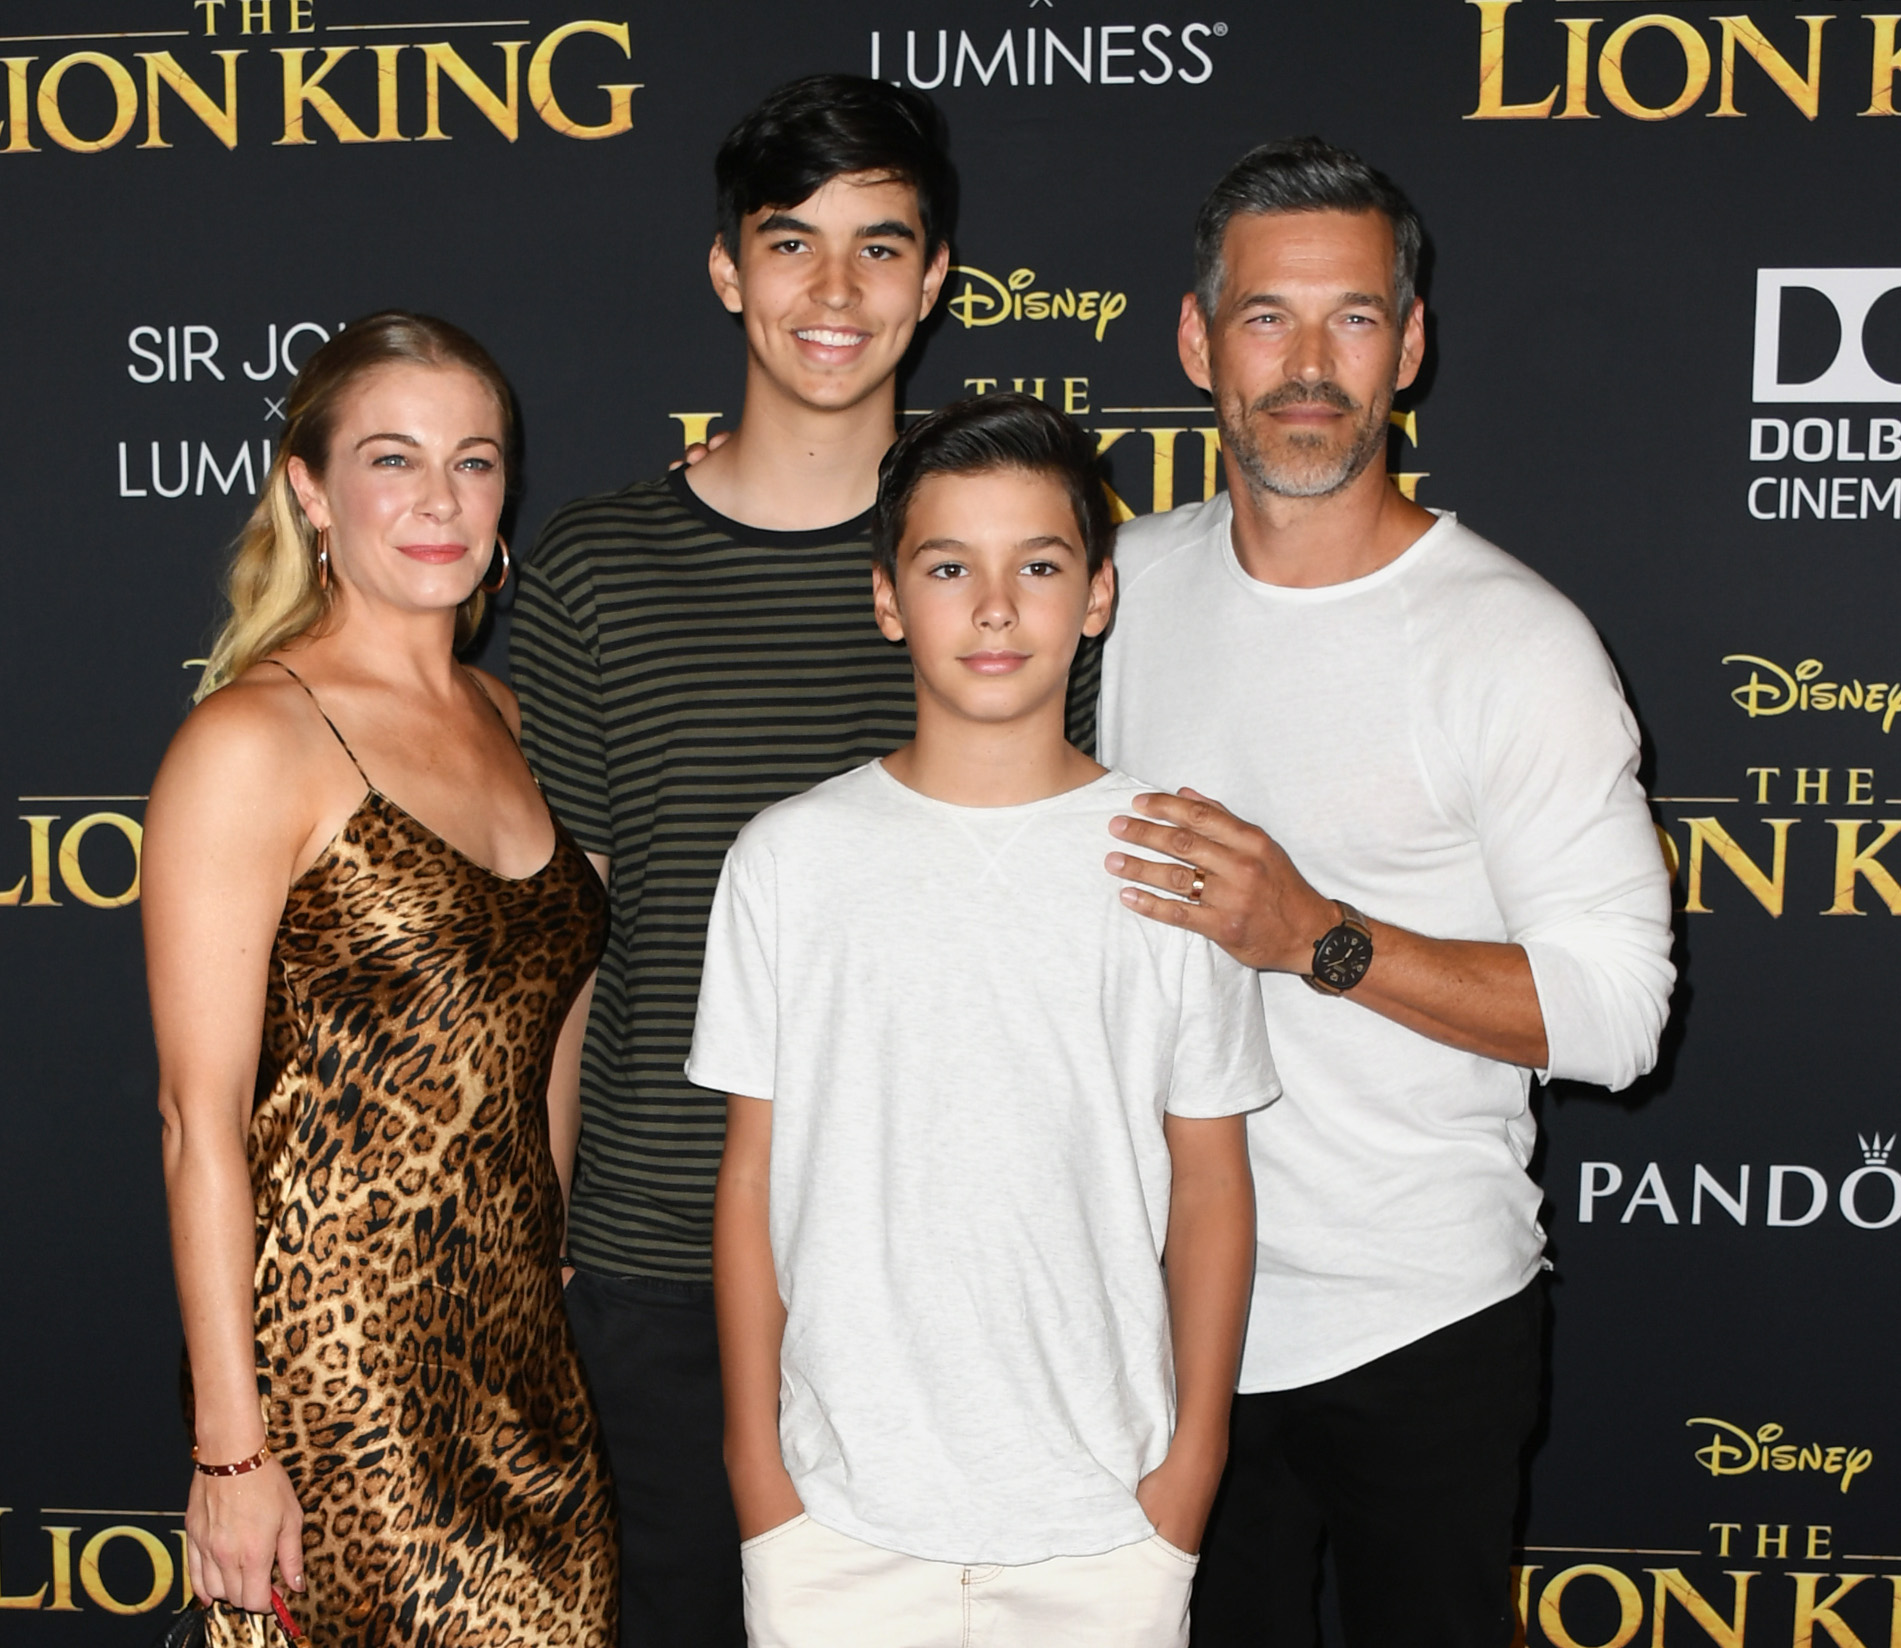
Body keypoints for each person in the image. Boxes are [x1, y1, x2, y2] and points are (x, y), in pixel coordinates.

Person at [509, 74, 1095, 1646]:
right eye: (791, 245)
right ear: (728, 272)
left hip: (956, 1274)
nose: (834, 294)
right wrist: (542, 1257)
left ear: (937, 277)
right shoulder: (595, 573)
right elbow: (556, 963)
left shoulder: (1004, 574)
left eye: (879, 246)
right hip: (660, 1263)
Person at [1097, 139, 1677, 1647]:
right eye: (1265, 318)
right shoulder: (1114, 589)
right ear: (1193, 338)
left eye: (1351, 318)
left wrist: (1318, 940)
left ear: (1407, 346)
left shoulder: (1512, 643)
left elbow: (1616, 1020)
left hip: (1418, 1320)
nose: (1305, 365)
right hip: (1156, 1325)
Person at [696, 394, 1277, 1648]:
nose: (997, 605)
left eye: (1041, 564)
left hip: (1105, 1527)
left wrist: (1187, 1476)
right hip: (836, 1527)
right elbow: (751, 1178)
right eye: (950, 565)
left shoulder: (1178, 860)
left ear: (1100, 595)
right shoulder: (789, 860)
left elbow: (1212, 1184)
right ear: (888, 597)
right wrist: (760, 1476)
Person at [144, 312, 617, 1645]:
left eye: (473, 462)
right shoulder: (253, 739)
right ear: (311, 489)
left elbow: (544, 1024)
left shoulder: (514, 719)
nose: (439, 499)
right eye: (392, 459)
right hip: (340, 1386)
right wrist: (233, 1447)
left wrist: (553, 1249)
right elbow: (199, 1122)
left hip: (526, 1367)